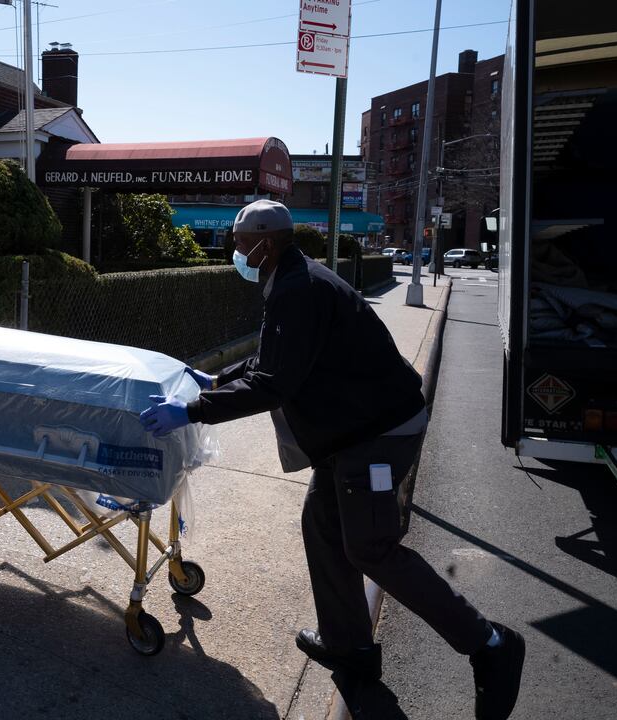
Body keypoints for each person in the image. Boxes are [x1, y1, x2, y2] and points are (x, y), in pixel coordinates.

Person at [139, 199, 525, 720]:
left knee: (371, 548)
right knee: (322, 527)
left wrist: (192, 410)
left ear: (265, 242)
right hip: (355, 431)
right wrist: (218, 380)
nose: (234, 251)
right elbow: (275, 358)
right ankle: (350, 649)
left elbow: (274, 384)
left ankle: (490, 645)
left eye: (237, 242)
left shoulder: (298, 289)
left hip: (378, 434)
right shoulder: (293, 278)